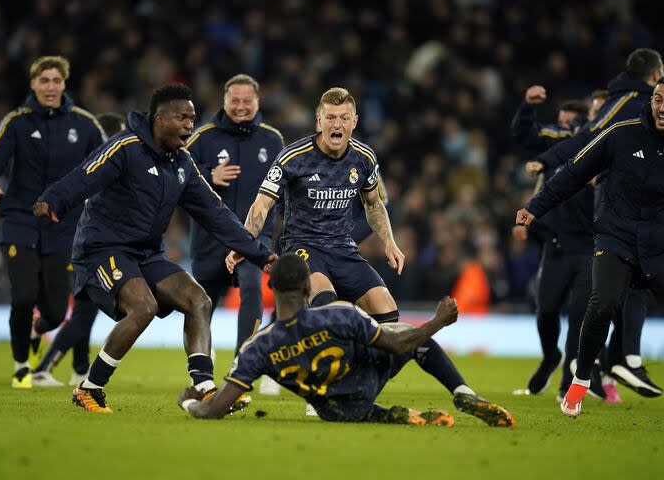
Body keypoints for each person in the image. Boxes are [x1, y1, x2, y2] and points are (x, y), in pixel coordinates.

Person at [34, 84, 277, 413]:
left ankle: (204, 387)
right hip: (101, 249)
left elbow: (216, 214)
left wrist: (262, 255)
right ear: (159, 119)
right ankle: (90, 388)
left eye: (192, 118)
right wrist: (54, 199)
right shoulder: (125, 147)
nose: (190, 125)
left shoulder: (183, 164)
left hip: (145, 253)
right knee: (143, 306)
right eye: (182, 118)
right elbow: (86, 174)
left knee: (198, 299)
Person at [516, 75, 664, 424]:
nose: (663, 107)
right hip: (617, 237)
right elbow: (574, 171)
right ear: (652, 100)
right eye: (658, 99)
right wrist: (536, 206)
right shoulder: (621, 133)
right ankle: (580, 382)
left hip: (663, 246)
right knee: (602, 305)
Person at [177, 253, 516, 427]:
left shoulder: (258, 347)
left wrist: (190, 402)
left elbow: (213, 410)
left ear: (272, 290)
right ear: (308, 288)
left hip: (334, 409)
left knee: (342, 403)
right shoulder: (340, 314)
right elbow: (399, 345)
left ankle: (387, 415)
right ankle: (462, 394)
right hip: (368, 377)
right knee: (411, 337)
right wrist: (438, 322)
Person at [525, 49, 664, 398]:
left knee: (626, 287)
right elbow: (586, 139)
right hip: (615, 211)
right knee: (621, 289)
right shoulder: (632, 101)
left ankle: (600, 360)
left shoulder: (645, 106)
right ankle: (611, 359)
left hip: (625, 211)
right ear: (656, 72)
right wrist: (545, 168)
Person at [0, 55, 106, 388]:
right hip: (20, 219)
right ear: (33, 84)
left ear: (64, 84)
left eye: (56, 80)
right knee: (22, 297)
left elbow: (108, 162)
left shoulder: (86, 124)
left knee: (55, 311)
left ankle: (37, 331)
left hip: (64, 225)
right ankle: (21, 366)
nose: (50, 86)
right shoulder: (16, 122)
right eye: (44, 80)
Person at [226, 87, 404, 325]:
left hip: (343, 248)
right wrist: (245, 243)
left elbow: (373, 204)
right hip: (302, 245)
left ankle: (362, 362)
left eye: (344, 118)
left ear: (355, 121)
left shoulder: (364, 158)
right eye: (330, 117)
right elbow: (262, 205)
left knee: (388, 313)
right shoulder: (293, 158)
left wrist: (389, 242)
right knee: (326, 304)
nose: (337, 124)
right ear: (319, 121)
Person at [510, 86, 600, 400]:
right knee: (546, 310)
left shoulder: (604, 144)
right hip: (557, 244)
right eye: (559, 122)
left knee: (579, 315)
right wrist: (526, 107)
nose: (560, 128)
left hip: (590, 246)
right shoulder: (559, 143)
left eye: (566, 122)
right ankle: (551, 356)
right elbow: (525, 134)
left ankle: (568, 382)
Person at [185, 74, 283, 358]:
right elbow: (177, 177)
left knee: (252, 286)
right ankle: (201, 365)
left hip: (253, 238)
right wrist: (208, 176)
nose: (241, 106)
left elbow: (285, 186)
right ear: (224, 101)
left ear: (257, 101)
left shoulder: (273, 139)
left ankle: (244, 360)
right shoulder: (202, 138)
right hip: (209, 238)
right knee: (200, 305)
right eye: (235, 100)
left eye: (247, 100)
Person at [31, 112, 127, 386]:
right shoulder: (104, 166)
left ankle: (80, 368)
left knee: (86, 309)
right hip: (85, 245)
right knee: (85, 311)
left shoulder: (96, 165)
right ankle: (44, 368)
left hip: (79, 243)